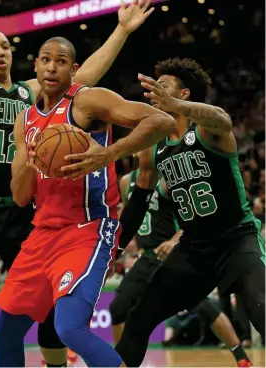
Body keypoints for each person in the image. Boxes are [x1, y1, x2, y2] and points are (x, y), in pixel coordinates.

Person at [0, 0, 155, 366]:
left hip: (25, 215)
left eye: (5, 46)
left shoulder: (30, 94)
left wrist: (122, 30)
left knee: (50, 319)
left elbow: (81, 75)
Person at [0, 36, 175, 367]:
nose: (51, 66)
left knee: (70, 328)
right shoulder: (24, 122)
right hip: (42, 234)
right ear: (35, 66)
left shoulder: (88, 101)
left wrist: (110, 152)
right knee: (4, 331)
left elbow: (162, 121)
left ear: (74, 69)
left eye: (61, 61)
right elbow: (20, 197)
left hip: (87, 229)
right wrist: (29, 163)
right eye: (45, 59)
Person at [106, 57, 265, 366]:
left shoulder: (207, 130)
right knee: (139, 316)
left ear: (185, 94)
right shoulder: (154, 145)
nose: (154, 94)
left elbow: (223, 119)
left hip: (236, 240)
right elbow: (139, 197)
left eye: (163, 88)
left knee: (262, 311)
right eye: (154, 90)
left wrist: (175, 106)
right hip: (193, 249)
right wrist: (118, 245)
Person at [110, 159, 253, 367]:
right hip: (146, 256)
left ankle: (241, 357)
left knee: (203, 306)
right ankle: (119, 361)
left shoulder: (168, 179)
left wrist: (174, 240)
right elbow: (129, 216)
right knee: (118, 308)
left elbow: (192, 218)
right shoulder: (126, 182)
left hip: (172, 255)